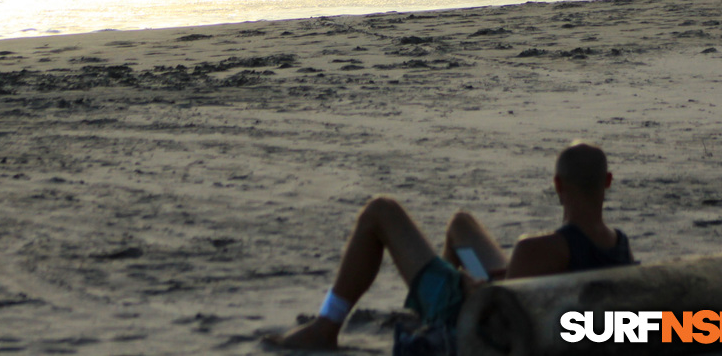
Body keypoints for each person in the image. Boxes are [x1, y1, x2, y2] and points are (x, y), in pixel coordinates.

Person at [265, 141, 633, 350]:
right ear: (608, 182)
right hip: (542, 307)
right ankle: (431, 311)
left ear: (557, 185)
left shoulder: (538, 250)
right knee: (461, 225)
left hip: (482, 325)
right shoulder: (620, 247)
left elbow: (497, 318)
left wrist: (475, 288)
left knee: (381, 211)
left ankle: (327, 324)